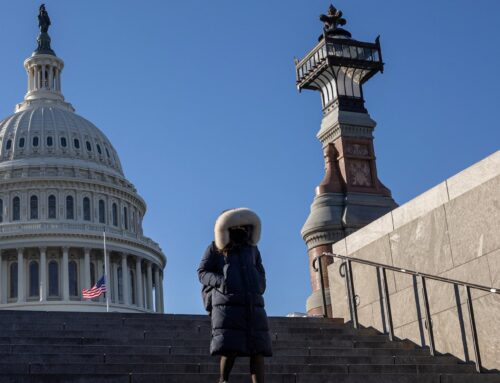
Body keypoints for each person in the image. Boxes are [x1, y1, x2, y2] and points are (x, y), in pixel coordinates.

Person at [198, 208, 272, 383]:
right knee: (229, 347)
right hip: (227, 304)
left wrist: (259, 285)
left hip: (252, 302)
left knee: (257, 349)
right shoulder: (215, 247)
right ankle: (223, 380)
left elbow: (259, 269)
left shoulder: (252, 248)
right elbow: (202, 272)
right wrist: (222, 282)